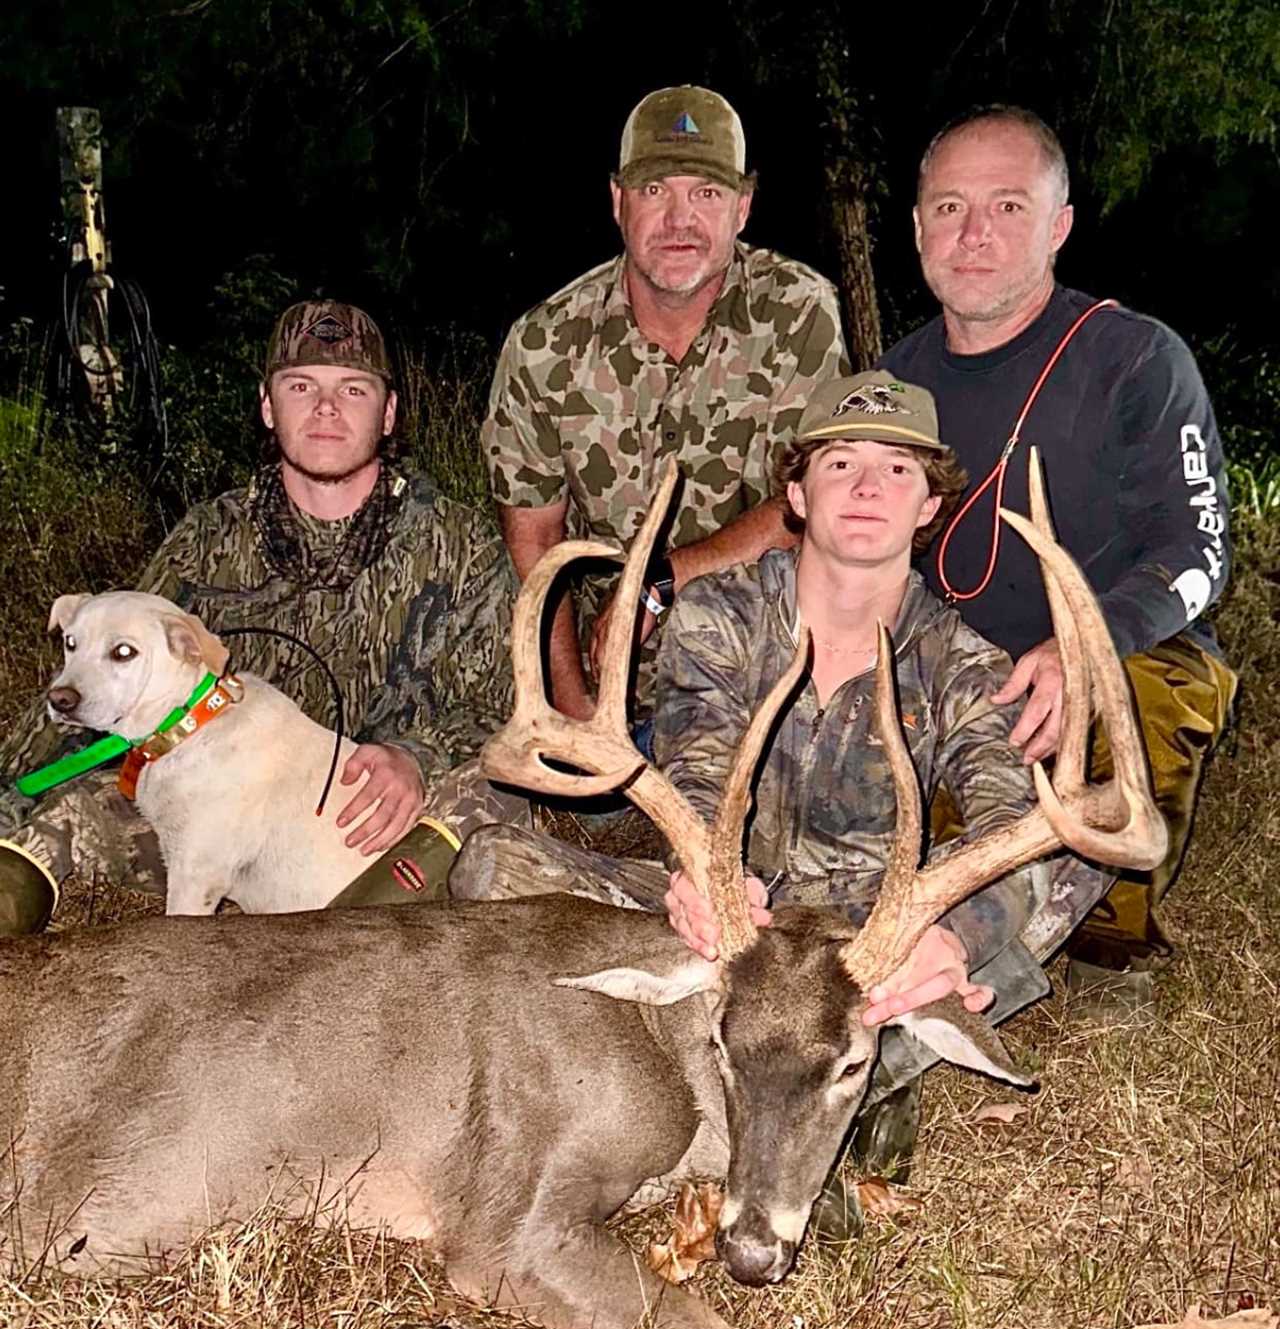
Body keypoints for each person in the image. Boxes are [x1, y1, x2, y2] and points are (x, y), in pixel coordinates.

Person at [451, 371, 1109, 1223]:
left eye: (898, 469)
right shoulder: (719, 613)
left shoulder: (962, 662)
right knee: (494, 862)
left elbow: (1003, 815)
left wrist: (950, 933)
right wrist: (700, 874)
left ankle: (861, 1047)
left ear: (929, 508)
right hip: (738, 915)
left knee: (1068, 853)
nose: (868, 486)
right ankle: (852, 1064)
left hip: (869, 945)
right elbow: (697, 768)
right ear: (797, 494)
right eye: (840, 464)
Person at [0, 299, 524, 933]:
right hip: (224, 813)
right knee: (66, 812)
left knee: (489, 797)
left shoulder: (460, 543)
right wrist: (9, 789)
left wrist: (415, 757)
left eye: (352, 389)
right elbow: (99, 673)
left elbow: (503, 705)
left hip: (384, 816)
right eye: (301, 386)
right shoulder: (208, 538)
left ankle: (340, 950)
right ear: (268, 406)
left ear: (388, 414)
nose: (326, 407)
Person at [881, 105, 1238, 1017]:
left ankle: (1114, 945)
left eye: (1007, 207)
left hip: (1098, 663)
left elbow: (1198, 553)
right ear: (917, 225)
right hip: (954, 685)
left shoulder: (1136, 359)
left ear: (1059, 226)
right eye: (950, 207)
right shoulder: (890, 385)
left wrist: (1083, 646)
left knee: (1155, 690)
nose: (973, 235)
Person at [482, 83, 849, 728]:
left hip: (762, 657)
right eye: (656, 192)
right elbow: (536, 546)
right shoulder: (544, 343)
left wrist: (661, 578)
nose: (680, 221)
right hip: (603, 670)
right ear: (619, 202)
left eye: (705, 194)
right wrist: (577, 714)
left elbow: (816, 500)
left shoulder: (797, 312)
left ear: (742, 207)